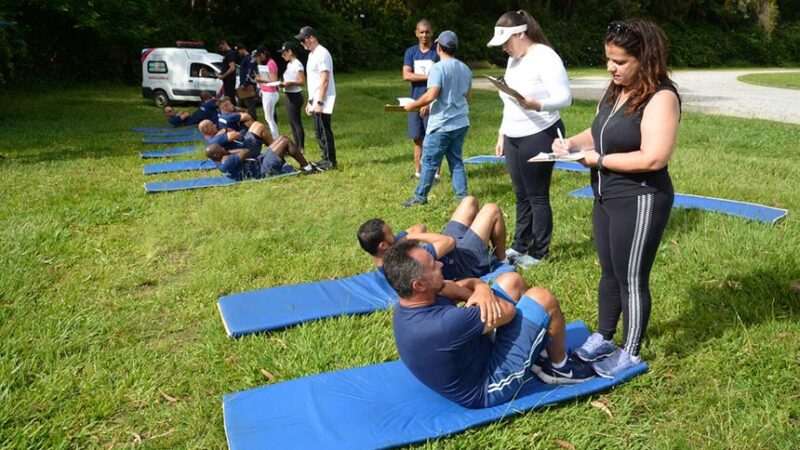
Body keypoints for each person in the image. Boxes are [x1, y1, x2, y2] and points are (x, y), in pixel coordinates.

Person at [551, 19, 680, 378]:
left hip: (640, 198)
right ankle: (604, 336)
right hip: (605, 195)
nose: (612, 68)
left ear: (645, 58)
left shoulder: (661, 97)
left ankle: (631, 350)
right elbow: (600, 132)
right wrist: (573, 145)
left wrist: (599, 160)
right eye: (609, 59)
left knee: (632, 276)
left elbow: (654, 157)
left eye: (620, 61)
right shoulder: (614, 91)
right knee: (609, 271)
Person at [383, 240, 595, 409]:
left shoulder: (415, 299)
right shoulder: (442, 324)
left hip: (475, 352)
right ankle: (559, 368)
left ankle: (535, 353)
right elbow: (507, 312)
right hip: (487, 386)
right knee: (543, 299)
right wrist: (480, 291)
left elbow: (461, 286)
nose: (440, 264)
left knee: (511, 281)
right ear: (418, 284)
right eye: (433, 265)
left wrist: (481, 289)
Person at [487, 10, 572, 269]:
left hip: (540, 133)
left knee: (537, 196)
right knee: (521, 195)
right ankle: (520, 245)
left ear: (521, 34)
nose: (503, 48)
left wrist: (536, 104)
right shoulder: (514, 59)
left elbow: (565, 98)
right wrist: (503, 132)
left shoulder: (545, 57)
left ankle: (538, 252)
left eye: (506, 42)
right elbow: (510, 100)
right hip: (514, 135)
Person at [357, 196, 507, 281]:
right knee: (492, 209)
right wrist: (410, 237)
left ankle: (482, 242)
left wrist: (405, 238)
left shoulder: (390, 248)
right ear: (383, 245)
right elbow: (449, 242)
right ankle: (502, 261)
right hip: (464, 263)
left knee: (469, 201)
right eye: (390, 233)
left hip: (450, 251)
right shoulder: (403, 259)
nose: (395, 234)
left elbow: (420, 226)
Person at [403, 30, 471, 207]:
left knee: (429, 162)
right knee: (456, 160)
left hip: (442, 124)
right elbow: (468, 98)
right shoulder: (465, 68)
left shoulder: (438, 68)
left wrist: (414, 105)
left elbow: (431, 94)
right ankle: (462, 197)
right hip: (461, 123)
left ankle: (419, 197)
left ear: (438, 46)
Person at [199, 119, 320, 177]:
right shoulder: (226, 161)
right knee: (285, 140)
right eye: (220, 148)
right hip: (263, 169)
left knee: (282, 140)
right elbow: (246, 151)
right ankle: (308, 168)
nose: (222, 148)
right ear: (216, 155)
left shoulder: (220, 158)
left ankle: (303, 164)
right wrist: (229, 151)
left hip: (259, 162)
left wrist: (225, 152)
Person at [402, 19, 440, 180]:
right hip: (415, 101)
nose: (424, 35)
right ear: (416, 33)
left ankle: (436, 175)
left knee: (433, 140)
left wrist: (430, 102)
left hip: (433, 102)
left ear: (432, 33)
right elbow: (406, 75)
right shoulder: (411, 52)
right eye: (421, 32)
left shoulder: (437, 53)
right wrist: (428, 75)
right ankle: (418, 173)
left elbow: (441, 80)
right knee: (417, 139)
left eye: (427, 31)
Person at [296, 26, 337, 170]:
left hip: (324, 98)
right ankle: (324, 157)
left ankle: (331, 161)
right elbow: (313, 81)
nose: (302, 44)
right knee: (318, 131)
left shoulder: (322, 53)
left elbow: (324, 79)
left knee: (325, 130)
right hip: (315, 98)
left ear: (311, 38)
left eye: (303, 40)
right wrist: (309, 101)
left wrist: (319, 102)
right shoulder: (312, 54)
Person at [278, 42, 306, 154]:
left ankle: (301, 147)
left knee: (296, 122)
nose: (282, 56)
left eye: (284, 53)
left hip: (295, 96)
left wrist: (289, 83)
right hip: (289, 95)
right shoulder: (289, 64)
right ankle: (296, 146)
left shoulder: (297, 64)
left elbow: (302, 82)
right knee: (292, 122)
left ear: (290, 52)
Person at [254, 47, 280, 140]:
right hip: (267, 92)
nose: (258, 59)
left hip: (270, 93)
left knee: (269, 118)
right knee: (269, 118)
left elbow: (274, 80)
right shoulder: (267, 63)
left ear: (263, 54)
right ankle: (275, 137)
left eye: (259, 57)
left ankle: (275, 138)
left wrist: (260, 79)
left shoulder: (270, 63)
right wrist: (262, 89)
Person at [235, 43, 260, 121]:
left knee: (250, 104)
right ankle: (241, 118)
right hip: (243, 84)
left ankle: (253, 120)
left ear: (242, 49)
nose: (238, 53)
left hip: (248, 85)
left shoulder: (249, 58)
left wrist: (245, 84)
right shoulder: (245, 58)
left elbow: (249, 72)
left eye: (238, 51)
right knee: (240, 102)